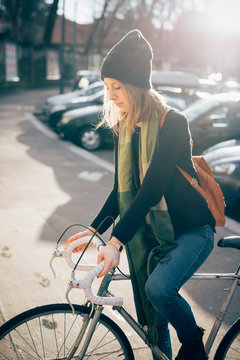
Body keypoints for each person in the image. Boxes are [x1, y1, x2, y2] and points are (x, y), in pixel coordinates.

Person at [65, 30, 215, 360]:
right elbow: (121, 190)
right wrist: (94, 231)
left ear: (136, 84)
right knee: (153, 319)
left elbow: (152, 187)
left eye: (117, 86)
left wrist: (116, 241)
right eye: (107, 87)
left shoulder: (173, 122)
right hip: (154, 235)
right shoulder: (126, 127)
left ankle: (193, 346)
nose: (111, 95)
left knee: (159, 289)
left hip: (192, 230)